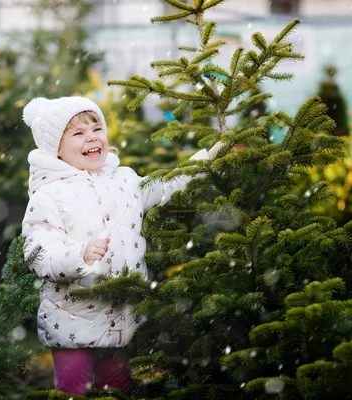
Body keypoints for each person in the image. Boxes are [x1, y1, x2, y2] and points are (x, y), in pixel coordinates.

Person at [21, 96, 222, 395]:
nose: (92, 137)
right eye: (78, 133)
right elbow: (38, 253)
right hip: (72, 320)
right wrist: (79, 255)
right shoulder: (49, 195)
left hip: (120, 317)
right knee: (72, 391)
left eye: (97, 128)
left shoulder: (125, 180)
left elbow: (164, 187)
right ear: (56, 150)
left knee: (115, 388)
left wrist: (205, 161)